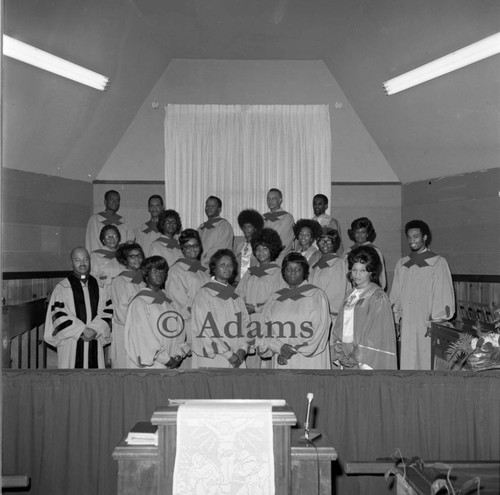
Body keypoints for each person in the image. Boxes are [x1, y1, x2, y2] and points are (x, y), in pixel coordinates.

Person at [390, 220, 455, 370]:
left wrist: (436, 321)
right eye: (409, 237)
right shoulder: (402, 264)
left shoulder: (438, 263)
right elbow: (396, 295)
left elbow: (443, 293)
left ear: (425, 237)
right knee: (408, 360)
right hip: (407, 322)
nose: (412, 240)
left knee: (426, 361)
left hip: (427, 322)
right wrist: (396, 318)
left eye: (416, 236)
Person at [258, 252, 331, 369]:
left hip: (307, 360)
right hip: (280, 356)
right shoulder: (275, 298)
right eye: (289, 269)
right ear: (283, 272)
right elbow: (265, 329)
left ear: (305, 272)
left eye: (297, 269)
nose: (293, 273)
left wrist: (289, 348)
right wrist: (279, 347)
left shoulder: (316, 295)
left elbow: (318, 328)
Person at [44, 247, 112, 368]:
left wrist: (94, 330)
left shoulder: (99, 285)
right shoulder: (62, 287)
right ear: (71, 263)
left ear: (90, 261)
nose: (82, 263)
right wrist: (82, 330)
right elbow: (59, 314)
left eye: (85, 259)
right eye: (77, 260)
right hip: (71, 341)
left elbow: (107, 310)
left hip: (95, 339)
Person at [331, 246, 397, 370]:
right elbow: (340, 326)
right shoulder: (349, 295)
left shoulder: (377, 296)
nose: (357, 275)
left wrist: (356, 356)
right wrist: (340, 352)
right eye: (354, 270)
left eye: (362, 270)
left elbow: (376, 333)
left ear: (371, 272)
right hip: (346, 353)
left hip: (365, 357)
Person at [191, 249, 251, 369]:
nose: (227, 268)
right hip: (215, 358)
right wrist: (228, 354)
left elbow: (246, 324)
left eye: (230, 265)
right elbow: (205, 329)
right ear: (214, 268)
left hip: (237, 357)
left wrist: (243, 348)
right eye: (222, 265)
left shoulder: (235, 296)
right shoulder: (204, 294)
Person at [125, 256, 186, 369]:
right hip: (151, 365)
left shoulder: (170, 303)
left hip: (171, 362)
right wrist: (166, 359)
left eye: (162, 271)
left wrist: (178, 353)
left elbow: (179, 331)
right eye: (154, 270)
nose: (159, 274)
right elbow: (143, 337)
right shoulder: (140, 302)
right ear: (146, 274)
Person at [236, 228, 285, 368]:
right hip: (249, 322)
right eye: (257, 249)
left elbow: (279, 302)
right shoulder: (249, 273)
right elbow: (238, 295)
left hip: (268, 323)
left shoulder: (278, 273)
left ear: (272, 250)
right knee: (250, 364)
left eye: (265, 249)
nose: (260, 252)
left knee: (267, 363)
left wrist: (257, 309)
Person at [165, 229, 211, 367]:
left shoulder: (203, 271)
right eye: (188, 246)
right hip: (187, 323)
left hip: (204, 323)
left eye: (195, 245)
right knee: (187, 365)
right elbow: (177, 301)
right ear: (182, 249)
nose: (193, 249)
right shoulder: (177, 270)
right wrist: (198, 312)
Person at [109, 243, 145, 368]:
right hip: (128, 332)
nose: (137, 259)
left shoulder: (146, 279)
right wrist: (142, 326)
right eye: (132, 256)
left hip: (144, 332)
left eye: (139, 255)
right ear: (125, 260)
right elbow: (121, 313)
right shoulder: (120, 281)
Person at [309, 227, 347, 331]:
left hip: (330, 316)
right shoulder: (314, 264)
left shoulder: (339, 264)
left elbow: (338, 292)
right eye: (321, 240)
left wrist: (327, 312)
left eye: (328, 240)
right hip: (314, 314)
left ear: (334, 243)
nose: (324, 243)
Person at [345, 217, 387, 290]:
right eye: (357, 232)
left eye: (363, 232)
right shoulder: (347, 252)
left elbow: (380, 276)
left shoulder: (374, 251)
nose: (360, 235)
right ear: (353, 233)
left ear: (368, 234)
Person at [198, 196, 235, 268]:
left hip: (215, 267)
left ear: (219, 209)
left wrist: (201, 263)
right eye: (207, 206)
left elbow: (219, 251)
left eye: (212, 206)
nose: (209, 208)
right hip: (200, 266)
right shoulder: (201, 227)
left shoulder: (224, 226)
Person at [263, 188, 295, 263]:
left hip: (279, 258)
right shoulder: (263, 217)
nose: (270, 201)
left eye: (273, 198)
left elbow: (280, 239)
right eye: (268, 199)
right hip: (263, 257)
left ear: (280, 200)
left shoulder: (287, 217)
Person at [90, 225, 123, 294]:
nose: (112, 239)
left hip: (122, 292)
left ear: (118, 238)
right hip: (105, 292)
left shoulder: (123, 255)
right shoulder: (95, 255)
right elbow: (92, 277)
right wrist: (111, 280)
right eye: (108, 237)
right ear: (103, 240)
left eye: (114, 235)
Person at [234, 209, 264, 283]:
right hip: (238, 283)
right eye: (244, 227)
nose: (246, 229)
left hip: (254, 282)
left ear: (255, 229)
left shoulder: (260, 246)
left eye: (249, 227)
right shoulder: (239, 246)